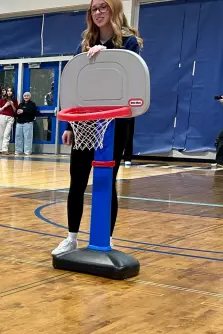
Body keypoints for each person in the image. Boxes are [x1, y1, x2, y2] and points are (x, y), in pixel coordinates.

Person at [51, 0, 143, 256]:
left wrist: (105, 56)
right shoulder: (84, 44)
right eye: (94, 9)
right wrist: (69, 125)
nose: (99, 12)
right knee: (77, 182)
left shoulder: (129, 43)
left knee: (106, 181)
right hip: (85, 124)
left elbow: (129, 80)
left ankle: (106, 239)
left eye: (104, 7)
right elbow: (74, 86)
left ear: (114, 9)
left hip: (115, 124)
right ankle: (71, 237)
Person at [0, 87, 17, 154]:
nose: (9, 92)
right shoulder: (2, 100)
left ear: (12, 92)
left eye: (10, 91)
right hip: (2, 116)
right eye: (8, 91)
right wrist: (5, 106)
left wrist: (12, 105)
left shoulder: (15, 100)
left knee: (7, 134)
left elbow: (15, 111)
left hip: (10, 118)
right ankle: (0, 149)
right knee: (1, 134)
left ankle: (5, 149)